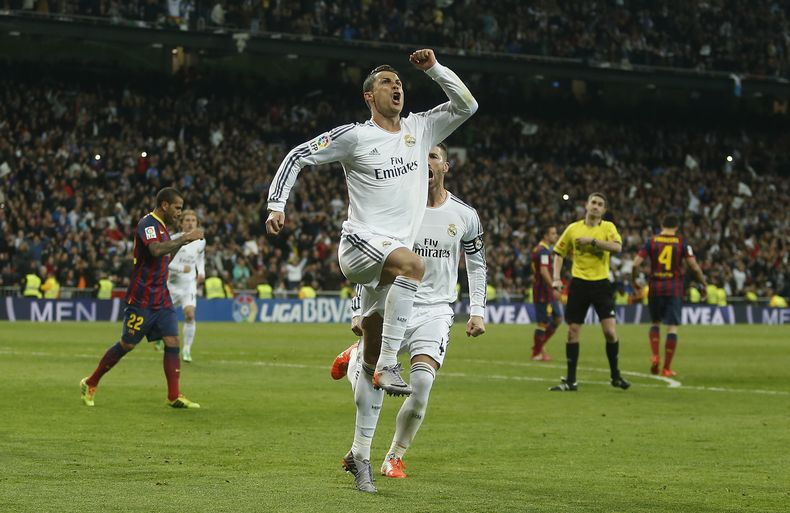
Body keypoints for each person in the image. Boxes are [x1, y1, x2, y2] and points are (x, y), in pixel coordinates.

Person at [266, 48, 477, 491]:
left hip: (390, 264)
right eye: (386, 82)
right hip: (360, 247)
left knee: (371, 353)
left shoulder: (421, 130)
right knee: (413, 266)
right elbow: (298, 155)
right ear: (368, 96)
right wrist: (277, 204)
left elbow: (466, 105)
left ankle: (360, 453)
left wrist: (435, 70)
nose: (396, 87)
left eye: (399, 82)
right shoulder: (355, 137)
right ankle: (384, 363)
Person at [331, 143, 487, 491]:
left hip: (436, 308)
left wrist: (477, 309)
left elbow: (476, 264)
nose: (427, 162)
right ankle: (358, 355)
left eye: (434, 156)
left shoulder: (465, 214)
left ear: (446, 165)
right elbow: (370, 260)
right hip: (393, 302)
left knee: (422, 384)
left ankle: (394, 456)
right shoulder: (395, 210)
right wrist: (359, 309)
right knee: (373, 381)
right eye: (422, 156)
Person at [79, 187, 204, 409]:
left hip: (161, 297)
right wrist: (184, 238)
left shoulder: (164, 227)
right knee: (127, 344)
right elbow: (155, 250)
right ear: (164, 205)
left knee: (173, 341)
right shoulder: (148, 224)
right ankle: (91, 381)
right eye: (177, 208)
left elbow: (165, 254)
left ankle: (173, 395)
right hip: (141, 298)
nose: (180, 213)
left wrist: (180, 243)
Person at [550, 192, 631, 392]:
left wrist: (593, 242)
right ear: (586, 205)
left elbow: (617, 247)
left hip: (601, 284)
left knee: (610, 332)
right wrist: (556, 277)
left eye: (600, 204)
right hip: (579, 284)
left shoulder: (608, 228)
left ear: (604, 210)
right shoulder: (573, 229)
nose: (595, 206)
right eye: (593, 202)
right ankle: (571, 380)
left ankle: (615, 375)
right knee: (572, 332)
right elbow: (558, 253)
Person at [631, 215, 707, 377]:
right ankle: (666, 368)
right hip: (674, 288)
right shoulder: (681, 242)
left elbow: (636, 263)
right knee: (672, 327)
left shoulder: (652, 241)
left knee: (655, 322)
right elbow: (693, 266)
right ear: (677, 227)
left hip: (655, 287)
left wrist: (634, 281)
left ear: (661, 224)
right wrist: (704, 283)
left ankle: (655, 355)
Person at [167, 209, 206, 363]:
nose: (190, 223)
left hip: (189, 284)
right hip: (172, 285)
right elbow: (164, 263)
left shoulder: (201, 241)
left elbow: (200, 258)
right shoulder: (173, 240)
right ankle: (158, 337)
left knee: (190, 314)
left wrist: (201, 272)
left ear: (197, 223)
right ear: (181, 223)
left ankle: (187, 350)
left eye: (193, 220)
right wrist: (180, 268)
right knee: (161, 315)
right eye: (187, 220)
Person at [530, 225, 562, 361]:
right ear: (545, 236)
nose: (556, 236)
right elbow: (543, 271)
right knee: (543, 322)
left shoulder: (543, 250)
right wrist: (554, 287)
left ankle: (539, 346)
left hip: (546, 290)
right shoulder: (543, 251)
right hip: (542, 291)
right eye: (553, 233)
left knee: (557, 318)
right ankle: (536, 352)